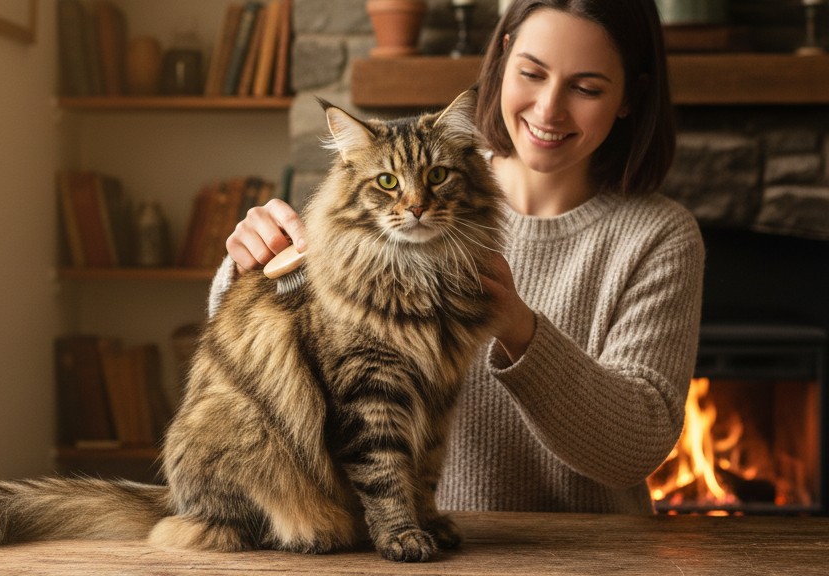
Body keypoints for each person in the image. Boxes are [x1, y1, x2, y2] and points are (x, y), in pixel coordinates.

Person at [215, 0, 704, 514]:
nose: (548, 110)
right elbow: (282, 374)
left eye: (586, 88)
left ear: (631, 96)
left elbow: (636, 450)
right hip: (419, 548)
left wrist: (520, 328)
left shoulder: (661, 236)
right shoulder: (406, 181)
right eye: (532, 73)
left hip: (593, 553)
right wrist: (248, 270)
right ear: (504, 58)